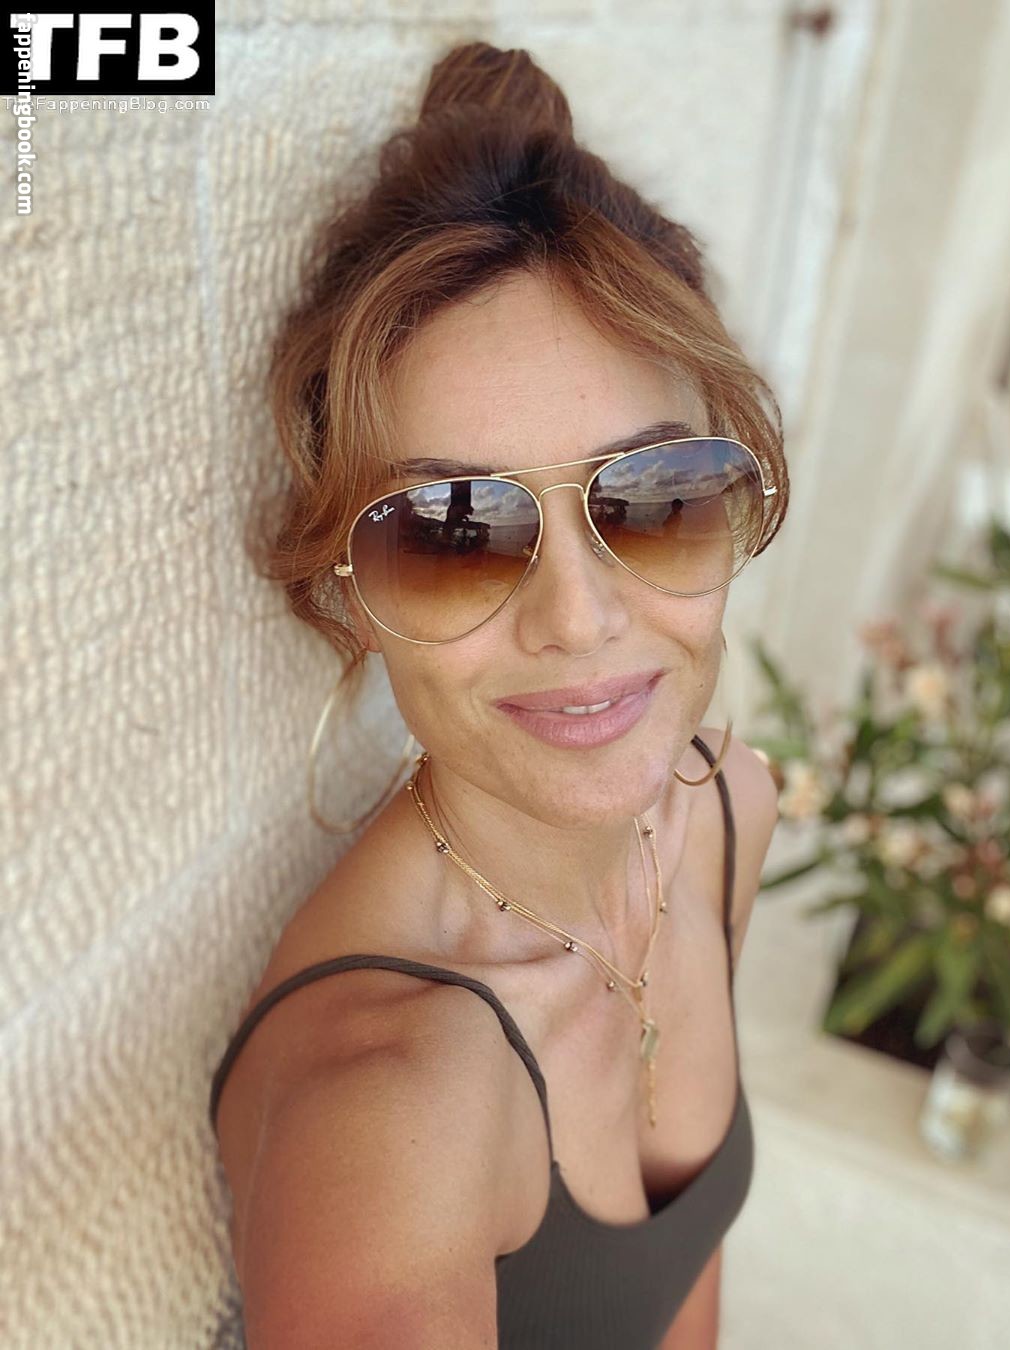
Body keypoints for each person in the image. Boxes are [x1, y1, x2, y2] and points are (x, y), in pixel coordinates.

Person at [208, 39, 788, 1349]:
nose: (580, 619)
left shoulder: (722, 816)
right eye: (452, 531)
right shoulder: (395, 1105)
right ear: (348, 595)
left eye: (656, 498)